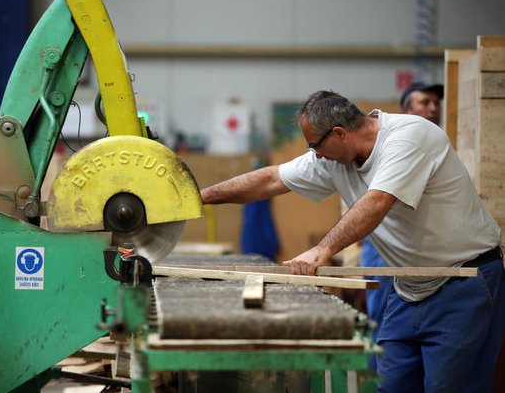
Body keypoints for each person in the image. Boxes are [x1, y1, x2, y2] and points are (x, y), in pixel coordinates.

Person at [200, 90, 504, 392]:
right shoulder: (333, 158)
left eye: (315, 146)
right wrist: (197, 198)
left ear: (339, 134)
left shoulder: (410, 136)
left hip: (463, 282)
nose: (315, 155)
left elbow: (377, 202)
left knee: (448, 388)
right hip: (409, 288)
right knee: (391, 385)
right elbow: (271, 179)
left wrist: (322, 250)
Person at [360, 81, 445, 370]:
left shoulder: (438, 142)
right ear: (407, 109)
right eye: (425, 103)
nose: (433, 109)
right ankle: (376, 380)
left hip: (420, 247)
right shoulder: (391, 145)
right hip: (383, 242)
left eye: (436, 103)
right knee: (382, 317)